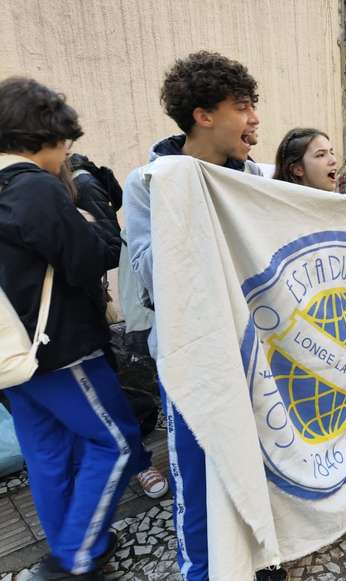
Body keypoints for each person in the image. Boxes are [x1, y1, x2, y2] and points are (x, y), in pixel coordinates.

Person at [124, 52, 285, 581]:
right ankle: (203, 572)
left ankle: (261, 554)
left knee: (263, 456)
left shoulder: (256, 176)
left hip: (256, 347)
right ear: (203, 115)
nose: (255, 119)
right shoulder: (148, 181)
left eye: (254, 106)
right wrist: (187, 203)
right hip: (193, 358)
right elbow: (149, 276)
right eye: (243, 107)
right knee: (197, 474)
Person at [0, 77, 148, 580]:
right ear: (45, 134)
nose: (67, 151)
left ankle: (71, 543)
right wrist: (88, 220)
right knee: (116, 442)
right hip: (62, 350)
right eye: (65, 140)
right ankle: (76, 557)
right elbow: (91, 260)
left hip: (13, 355)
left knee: (47, 452)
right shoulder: (32, 186)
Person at [67, 153, 169, 500]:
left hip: (76, 318)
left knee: (107, 390)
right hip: (26, 331)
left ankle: (138, 463)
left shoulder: (77, 182)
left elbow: (111, 248)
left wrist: (80, 227)